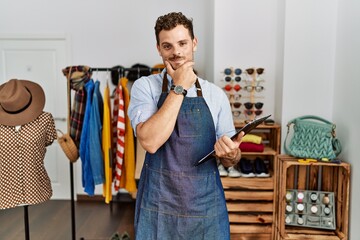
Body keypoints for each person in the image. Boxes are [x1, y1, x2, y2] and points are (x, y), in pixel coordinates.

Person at [128, 12, 244, 239]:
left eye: (182, 43)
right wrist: (179, 87)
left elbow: (232, 158)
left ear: (194, 43)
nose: (176, 52)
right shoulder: (146, 87)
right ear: (159, 49)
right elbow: (150, 142)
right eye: (167, 46)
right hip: (159, 203)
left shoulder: (215, 95)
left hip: (205, 205)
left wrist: (231, 154)